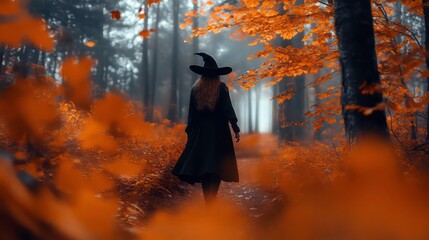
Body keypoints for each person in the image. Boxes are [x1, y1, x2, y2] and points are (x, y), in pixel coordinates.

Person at [172, 52, 240, 205]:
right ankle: (211, 201)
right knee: (216, 166)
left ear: (202, 74)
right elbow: (228, 108)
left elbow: (192, 114)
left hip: (201, 132)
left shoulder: (196, 89)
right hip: (219, 133)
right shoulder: (221, 87)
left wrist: (191, 132)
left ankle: (208, 201)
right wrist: (234, 125)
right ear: (217, 75)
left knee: (204, 165)